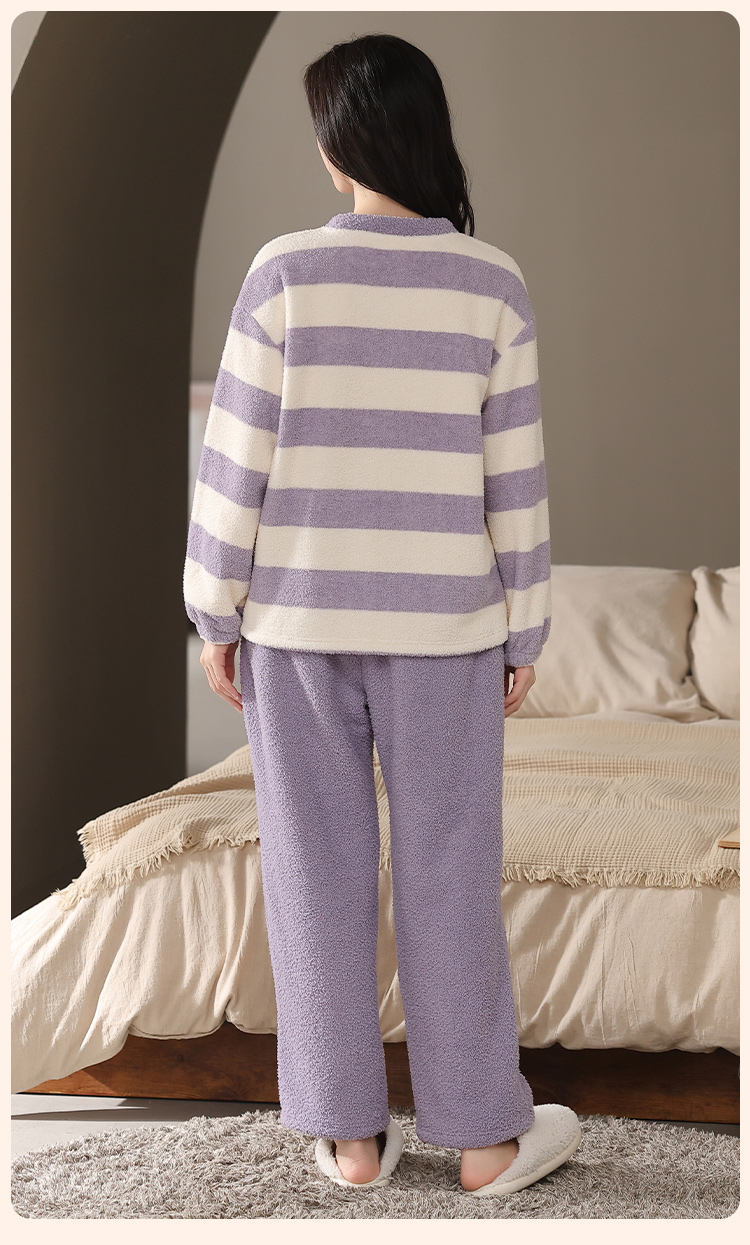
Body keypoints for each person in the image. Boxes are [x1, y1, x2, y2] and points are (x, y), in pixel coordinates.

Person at [184, 32, 580, 1196]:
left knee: (315, 872)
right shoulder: (491, 281)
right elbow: (516, 483)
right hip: (450, 633)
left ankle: (350, 1142)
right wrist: (525, 630)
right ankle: (487, 1140)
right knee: (452, 872)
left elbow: (234, 463)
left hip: (296, 629)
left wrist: (215, 612)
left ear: (336, 144)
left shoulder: (283, 273)